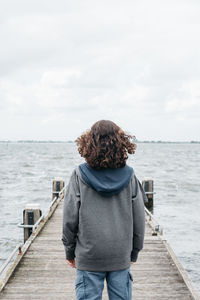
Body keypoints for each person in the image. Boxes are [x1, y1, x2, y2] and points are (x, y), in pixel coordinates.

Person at [62, 120, 146, 300]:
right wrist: (135, 251)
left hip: (88, 255)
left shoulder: (79, 175)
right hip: (120, 254)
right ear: (121, 143)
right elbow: (139, 218)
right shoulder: (130, 176)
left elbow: (69, 218)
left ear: (89, 142)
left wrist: (69, 251)